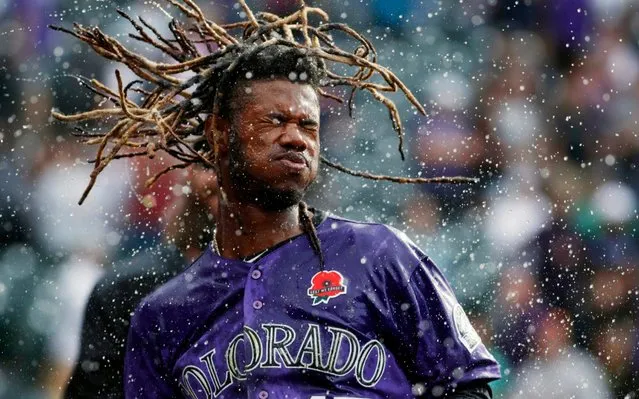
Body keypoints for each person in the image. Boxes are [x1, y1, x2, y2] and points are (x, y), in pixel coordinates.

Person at [51, 3, 500, 398]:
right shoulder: (161, 313)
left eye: (309, 126)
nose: (296, 138)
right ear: (219, 136)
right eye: (275, 120)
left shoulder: (382, 256)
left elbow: (467, 387)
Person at [64, 168, 219, 398]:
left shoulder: (286, 283)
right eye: (209, 161)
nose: (225, 174)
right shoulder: (127, 287)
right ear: (191, 174)